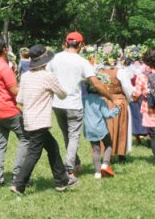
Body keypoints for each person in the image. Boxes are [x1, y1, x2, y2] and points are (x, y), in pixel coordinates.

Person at [12, 44, 77, 194]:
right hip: (40, 121)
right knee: (34, 153)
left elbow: (20, 99)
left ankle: (62, 181)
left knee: (53, 147)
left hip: (28, 119)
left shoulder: (26, 76)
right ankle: (19, 184)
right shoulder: (47, 76)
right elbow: (62, 94)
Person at [47, 31, 108, 176]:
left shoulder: (54, 58)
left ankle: (76, 163)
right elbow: (95, 83)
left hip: (57, 103)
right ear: (81, 45)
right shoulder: (82, 61)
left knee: (67, 135)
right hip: (74, 104)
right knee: (74, 136)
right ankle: (69, 168)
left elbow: (47, 77)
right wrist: (110, 97)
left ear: (66, 43)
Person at [0, 37, 27, 189]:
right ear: (5, 50)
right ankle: (18, 175)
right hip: (8, 110)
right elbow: (14, 90)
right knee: (25, 138)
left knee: (0, 144)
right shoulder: (4, 67)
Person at [82, 85, 120, 179]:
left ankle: (97, 173)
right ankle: (105, 164)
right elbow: (107, 115)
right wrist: (117, 109)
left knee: (95, 150)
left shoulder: (84, 100)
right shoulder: (101, 100)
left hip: (89, 129)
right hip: (101, 128)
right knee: (108, 144)